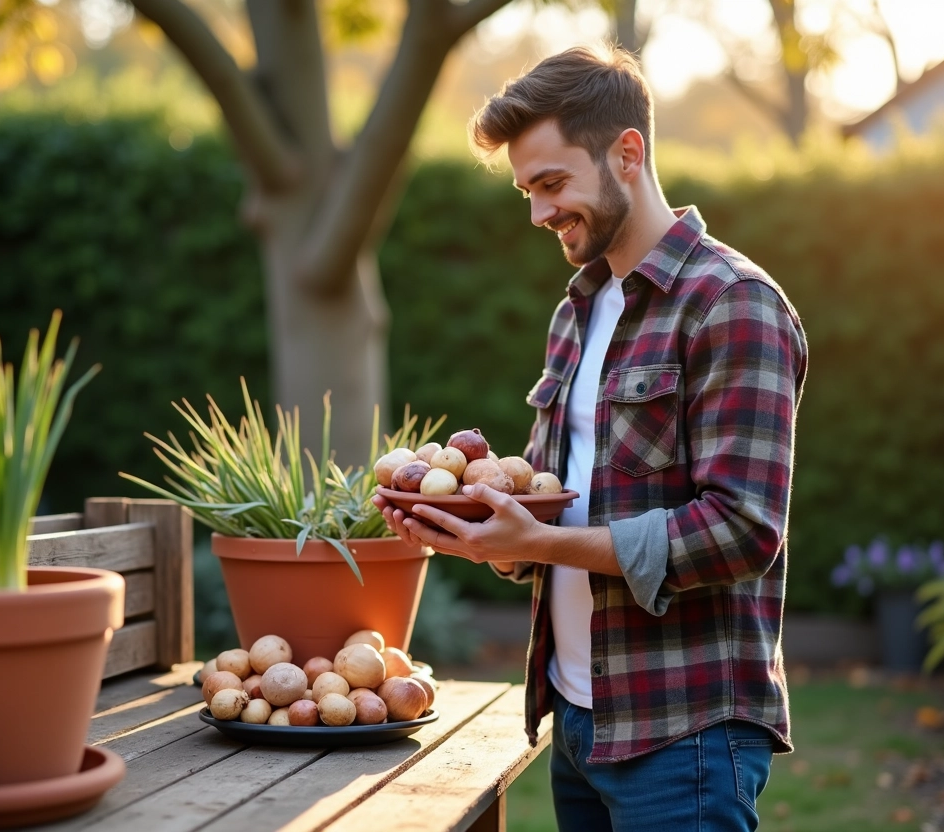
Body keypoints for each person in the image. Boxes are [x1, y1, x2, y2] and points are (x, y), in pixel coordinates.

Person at [373, 44, 808, 831]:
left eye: (551, 183)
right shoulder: (577, 311)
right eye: (526, 189)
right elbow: (555, 509)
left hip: (685, 732)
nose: (537, 212)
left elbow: (742, 531)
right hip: (577, 718)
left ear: (627, 154)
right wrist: (479, 533)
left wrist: (540, 542)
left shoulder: (732, 303)